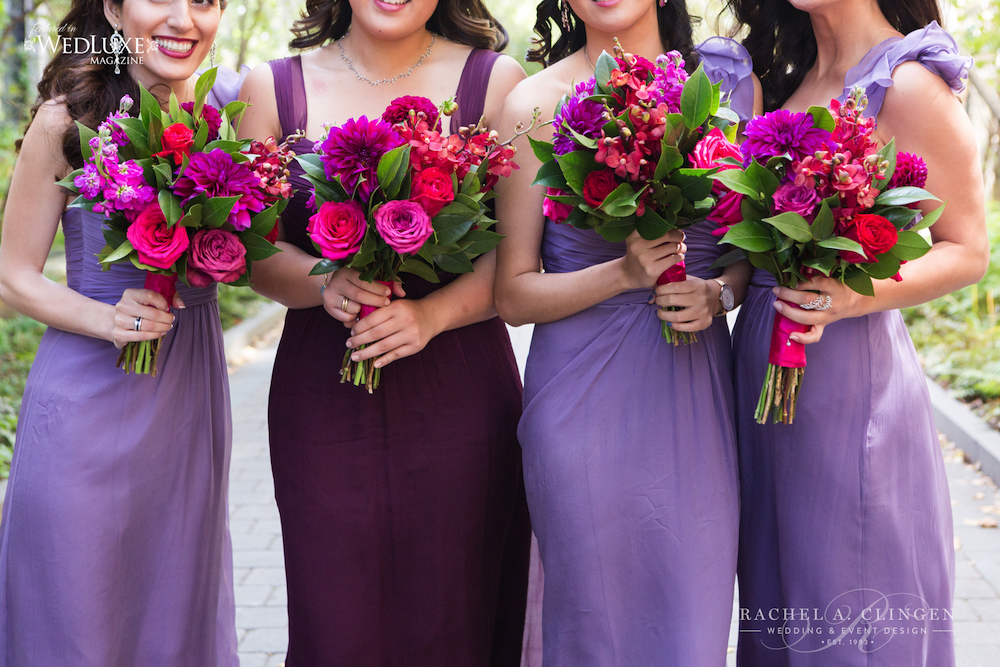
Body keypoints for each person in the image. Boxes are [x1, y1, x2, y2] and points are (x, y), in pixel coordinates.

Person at [236, 0, 531, 664]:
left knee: (456, 614)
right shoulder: (272, 87)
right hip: (323, 394)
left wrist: (430, 314)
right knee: (334, 621)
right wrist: (324, 281)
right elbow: (253, 256)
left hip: (459, 389)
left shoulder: (495, 83)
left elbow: (513, 262)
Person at [493, 0, 761, 664]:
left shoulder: (729, 85)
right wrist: (622, 273)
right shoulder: (534, 101)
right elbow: (512, 294)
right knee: (594, 624)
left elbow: (748, 249)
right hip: (580, 404)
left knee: (691, 623)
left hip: (694, 394)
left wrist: (721, 292)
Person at [724, 0, 987, 664]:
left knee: (849, 602)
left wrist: (846, 295)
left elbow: (967, 248)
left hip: (847, 385)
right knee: (782, 599)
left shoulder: (906, 82)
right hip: (766, 383)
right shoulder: (790, 78)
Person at [0, 0, 244, 665]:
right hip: (84, 397)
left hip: (187, 396)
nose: (182, 18)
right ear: (112, 8)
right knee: (76, 609)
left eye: (204, 1)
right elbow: (11, 276)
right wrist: (105, 318)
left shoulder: (229, 116)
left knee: (172, 610)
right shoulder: (68, 119)